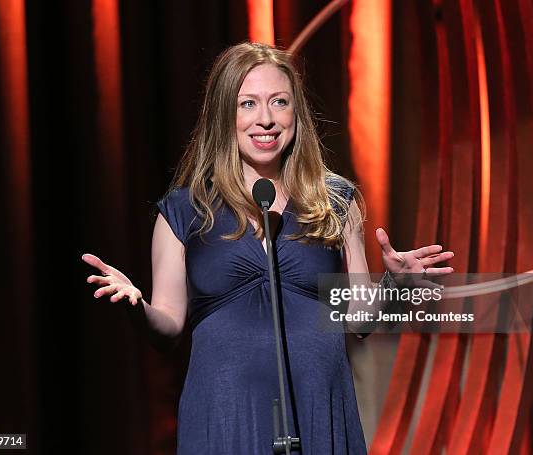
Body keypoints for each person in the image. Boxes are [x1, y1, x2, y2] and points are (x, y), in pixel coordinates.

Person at [82, 42, 454, 454]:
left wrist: (394, 286)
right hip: (225, 415)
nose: (266, 119)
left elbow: (359, 320)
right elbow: (168, 325)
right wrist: (137, 307)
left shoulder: (334, 201)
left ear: (297, 113)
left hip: (318, 411)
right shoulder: (184, 210)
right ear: (225, 114)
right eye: (248, 104)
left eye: (279, 102)